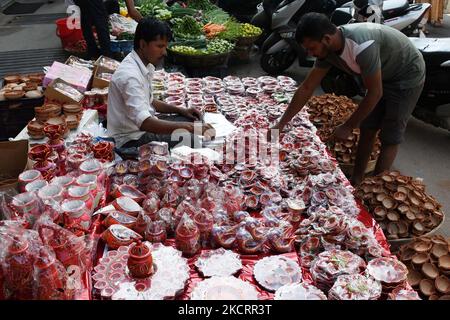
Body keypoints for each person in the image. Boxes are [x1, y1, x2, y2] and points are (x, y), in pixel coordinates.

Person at [270, 13, 425, 186]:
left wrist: (348, 126)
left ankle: (378, 187)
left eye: (312, 48)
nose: (310, 53)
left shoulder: (361, 46)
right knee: (367, 126)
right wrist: (280, 125)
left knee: (391, 134)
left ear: (326, 39)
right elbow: (307, 87)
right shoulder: (326, 52)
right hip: (382, 74)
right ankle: (357, 181)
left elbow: (375, 93)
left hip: (406, 75)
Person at [107, 17, 216, 152]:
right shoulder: (130, 76)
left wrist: (181, 110)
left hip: (141, 128)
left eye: (165, 46)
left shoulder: (141, 64)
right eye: (159, 46)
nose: (164, 52)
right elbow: (145, 123)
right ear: (142, 45)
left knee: (190, 119)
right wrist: (190, 128)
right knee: (190, 138)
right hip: (130, 139)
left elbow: (150, 101)